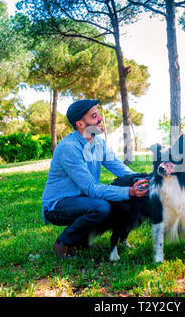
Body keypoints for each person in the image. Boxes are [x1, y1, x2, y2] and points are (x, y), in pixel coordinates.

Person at [41, 99, 149, 259]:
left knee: (111, 202)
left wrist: (142, 181)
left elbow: (120, 168)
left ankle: (81, 239)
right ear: (80, 124)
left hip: (82, 200)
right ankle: (63, 243)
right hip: (58, 205)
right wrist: (131, 191)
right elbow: (92, 188)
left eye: (98, 114)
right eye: (94, 116)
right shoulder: (68, 148)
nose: (100, 119)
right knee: (102, 207)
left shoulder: (98, 143)